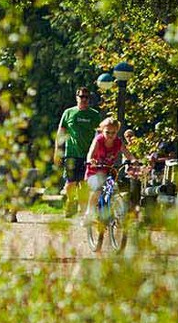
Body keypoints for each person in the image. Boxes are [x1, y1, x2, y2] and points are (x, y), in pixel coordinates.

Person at [53, 87, 100, 217]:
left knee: (84, 183)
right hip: (71, 153)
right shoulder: (69, 113)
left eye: (86, 97)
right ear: (76, 97)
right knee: (70, 183)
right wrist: (57, 150)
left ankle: (82, 208)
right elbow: (61, 132)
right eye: (81, 97)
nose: (84, 99)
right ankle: (70, 201)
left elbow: (100, 134)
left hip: (88, 154)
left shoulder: (94, 114)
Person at [84, 117, 127, 251]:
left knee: (112, 189)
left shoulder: (118, 142)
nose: (110, 135)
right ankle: (89, 213)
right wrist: (91, 159)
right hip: (94, 171)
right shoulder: (98, 140)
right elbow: (90, 153)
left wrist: (134, 160)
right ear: (102, 130)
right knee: (97, 190)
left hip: (108, 171)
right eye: (107, 132)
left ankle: (111, 212)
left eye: (113, 133)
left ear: (117, 132)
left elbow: (127, 153)